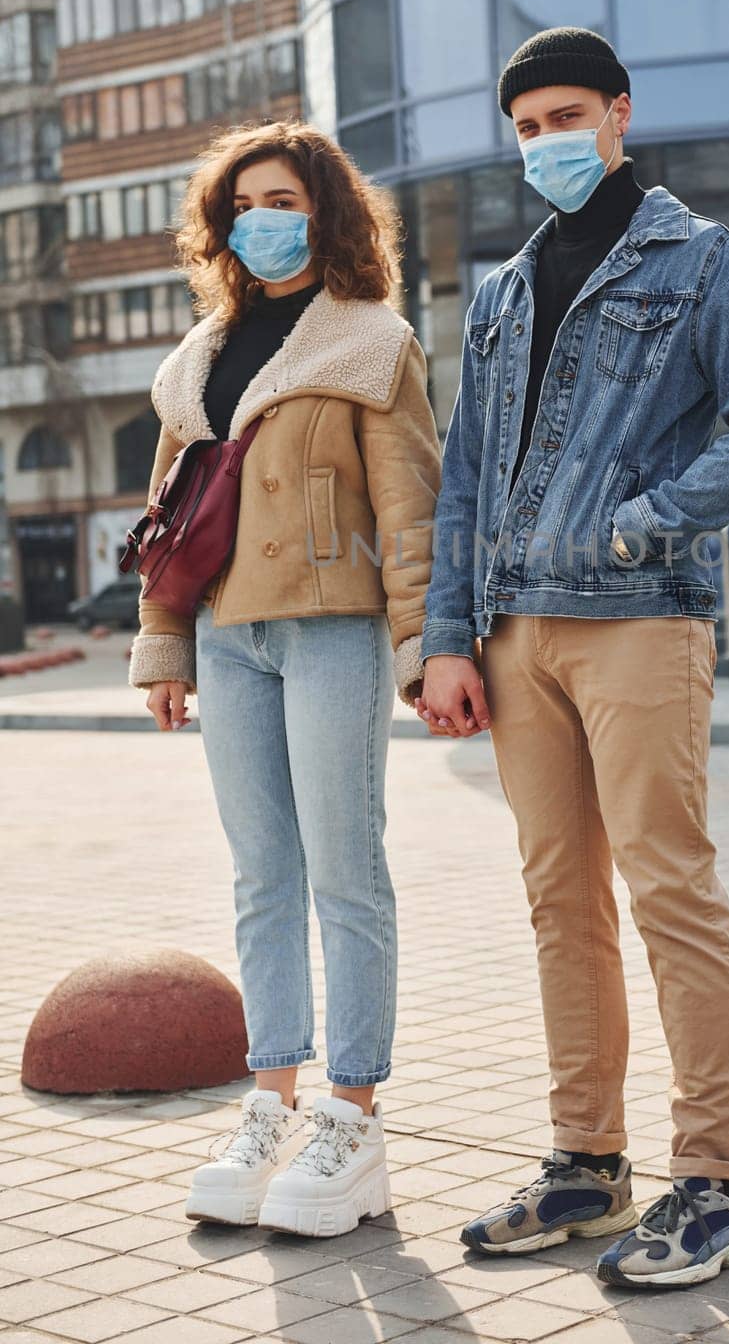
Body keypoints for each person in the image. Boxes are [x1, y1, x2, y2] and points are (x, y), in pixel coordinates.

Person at [416, 28, 729, 1290]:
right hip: (513, 628)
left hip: (642, 618)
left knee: (668, 889)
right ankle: (588, 1164)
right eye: (527, 125)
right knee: (557, 902)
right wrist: (444, 639)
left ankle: (715, 1186)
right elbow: (467, 477)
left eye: (568, 115)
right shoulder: (500, 292)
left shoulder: (704, 261)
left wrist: (645, 517)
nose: (548, 143)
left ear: (622, 114)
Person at [128, 120, 441, 1238]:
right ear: (225, 225)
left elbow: (410, 504)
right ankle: (271, 1102)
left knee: (345, 874)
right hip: (226, 637)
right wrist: (163, 644)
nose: (264, 220)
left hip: (330, 630)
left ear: (326, 213)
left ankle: (352, 1122)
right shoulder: (199, 357)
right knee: (262, 876)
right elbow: (170, 520)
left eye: (284, 200)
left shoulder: (370, 341)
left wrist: (422, 643)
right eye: (245, 203)